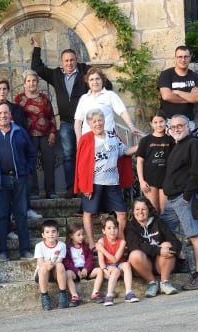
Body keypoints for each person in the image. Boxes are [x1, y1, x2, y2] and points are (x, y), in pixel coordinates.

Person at [31, 38, 107, 197]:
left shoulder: (86, 72)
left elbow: (105, 84)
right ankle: (72, 188)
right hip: (66, 123)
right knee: (68, 156)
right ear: (61, 62)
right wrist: (37, 48)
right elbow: (37, 68)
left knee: (88, 154)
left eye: (72, 60)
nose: (69, 63)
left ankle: (89, 186)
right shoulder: (56, 75)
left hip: (87, 124)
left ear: (76, 60)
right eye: (66, 61)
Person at [0, 102, 37, 262]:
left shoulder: (20, 132)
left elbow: (31, 153)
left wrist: (28, 170)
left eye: (5, 113)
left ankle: (25, 250)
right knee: (1, 216)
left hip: (19, 179)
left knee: (21, 215)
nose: (3, 116)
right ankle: (2, 251)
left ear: (10, 115)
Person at [74, 108, 137, 249]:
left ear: (104, 121)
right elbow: (81, 164)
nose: (97, 123)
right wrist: (84, 186)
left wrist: (142, 145)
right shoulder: (86, 139)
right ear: (89, 124)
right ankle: (91, 243)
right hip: (94, 183)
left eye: (100, 120)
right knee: (89, 212)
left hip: (112, 182)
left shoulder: (113, 136)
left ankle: (120, 240)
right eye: (94, 121)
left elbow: (125, 151)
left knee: (121, 212)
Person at [162, 114, 198, 291]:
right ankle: (181, 260)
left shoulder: (194, 144)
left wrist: (187, 196)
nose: (176, 129)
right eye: (173, 127)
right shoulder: (177, 146)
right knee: (165, 229)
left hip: (184, 198)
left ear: (188, 127)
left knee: (195, 236)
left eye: (180, 126)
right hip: (171, 200)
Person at [0, 78, 41, 219]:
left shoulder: (16, 109)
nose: (1, 91)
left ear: (8, 91)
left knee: (21, 181)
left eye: (4, 89)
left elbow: (24, 128)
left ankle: (27, 208)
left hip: (17, 149)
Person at [14, 69, 58, 199]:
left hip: (45, 134)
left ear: (37, 83)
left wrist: (53, 133)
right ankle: (34, 191)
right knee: (31, 163)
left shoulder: (44, 99)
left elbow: (51, 117)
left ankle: (51, 191)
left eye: (34, 81)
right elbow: (16, 118)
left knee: (49, 163)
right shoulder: (19, 99)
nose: (31, 83)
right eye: (29, 81)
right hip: (28, 136)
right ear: (24, 84)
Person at [126, 197, 181, 298]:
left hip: (161, 263)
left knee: (167, 245)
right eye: (137, 209)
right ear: (133, 211)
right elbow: (136, 245)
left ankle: (165, 282)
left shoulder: (158, 222)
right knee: (134, 254)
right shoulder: (130, 227)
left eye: (144, 209)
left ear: (149, 210)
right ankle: (152, 283)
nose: (140, 212)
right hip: (143, 265)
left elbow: (175, 241)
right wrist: (159, 250)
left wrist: (173, 250)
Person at [74, 67, 140, 139]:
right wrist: (79, 139)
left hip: (107, 139)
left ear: (102, 80)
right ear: (88, 82)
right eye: (91, 79)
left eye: (97, 79)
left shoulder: (110, 95)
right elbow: (78, 121)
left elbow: (122, 112)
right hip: (88, 140)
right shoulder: (84, 98)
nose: (95, 82)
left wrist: (132, 127)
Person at [136, 110, 174, 214]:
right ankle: (155, 230)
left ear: (166, 122)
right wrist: (141, 181)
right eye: (155, 122)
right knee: (153, 210)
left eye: (161, 121)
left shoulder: (171, 140)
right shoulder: (145, 141)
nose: (159, 125)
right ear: (151, 124)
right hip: (150, 181)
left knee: (164, 211)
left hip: (166, 180)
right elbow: (140, 161)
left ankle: (163, 230)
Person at [157, 45, 198, 130]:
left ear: (190, 58)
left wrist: (178, 92)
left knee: (189, 143)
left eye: (186, 57)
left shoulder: (195, 77)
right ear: (175, 58)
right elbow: (166, 96)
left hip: (188, 122)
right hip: (169, 121)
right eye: (180, 57)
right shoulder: (166, 75)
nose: (183, 60)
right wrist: (190, 98)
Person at [96, 214, 139, 306]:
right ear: (104, 230)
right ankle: (109, 295)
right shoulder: (101, 241)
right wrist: (105, 270)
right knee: (115, 271)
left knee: (127, 264)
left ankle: (128, 293)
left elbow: (115, 260)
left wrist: (102, 249)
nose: (112, 231)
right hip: (108, 267)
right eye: (109, 228)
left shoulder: (122, 242)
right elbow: (101, 261)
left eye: (115, 228)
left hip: (119, 264)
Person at [62, 222, 105, 306]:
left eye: (82, 234)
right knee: (67, 274)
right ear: (71, 235)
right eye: (78, 235)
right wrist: (76, 270)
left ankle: (95, 293)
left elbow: (90, 259)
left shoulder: (85, 246)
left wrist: (86, 268)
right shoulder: (67, 248)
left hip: (86, 270)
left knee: (99, 270)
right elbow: (67, 262)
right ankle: (74, 296)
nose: (81, 237)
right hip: (75, 271)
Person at [33, 220, 68, 310]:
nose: (50, 234)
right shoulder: (39, 246)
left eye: (53, 231)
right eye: (47, 232)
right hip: (42, 273)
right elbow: (40, 263)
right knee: (43, 268)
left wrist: (51, 265)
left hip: (55, 272)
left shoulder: (62, 245)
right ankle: (44, 296)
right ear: (43, 235)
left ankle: (63, 294)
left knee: (60, 266)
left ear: (58, 233)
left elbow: (59, 261)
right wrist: (46, 265)